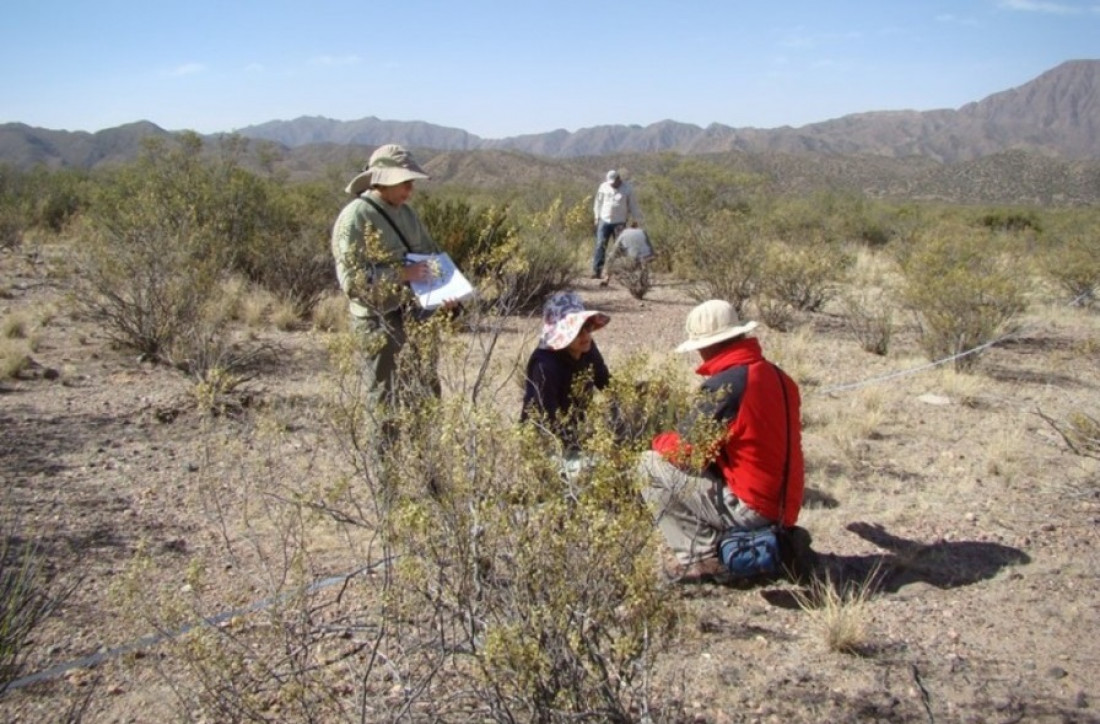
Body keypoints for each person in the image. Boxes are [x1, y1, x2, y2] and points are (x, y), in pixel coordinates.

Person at [638, 299, 805, 584]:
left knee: (649, 463)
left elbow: (686, 453)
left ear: (709, 345)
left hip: (753, 509)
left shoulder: (728, 384)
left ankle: (700, 558)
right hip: (784, 508)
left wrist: (658, 440)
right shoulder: (778, 376)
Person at [330, 143, 455, 411]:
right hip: (379, 322)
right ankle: (385, 455)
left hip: (417, 316)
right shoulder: (355, 217)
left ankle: (426, 452)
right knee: (386, 399)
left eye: (411, 183)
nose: (410, 190)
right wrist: (401, 274)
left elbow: (431, 255)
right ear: (383, 181)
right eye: (404, 182)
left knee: (426, 392)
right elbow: (352, 282)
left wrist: (448, 293)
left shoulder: (407, 214)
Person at [520, 291, 611, 466]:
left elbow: (607, 384)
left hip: (575, 434)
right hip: (545, 443)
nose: (585, 335)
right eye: (577, 331)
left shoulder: (587, 349)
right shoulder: (545, 365)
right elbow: (547, 419)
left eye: (588, 327)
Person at [591, 169, 643, 279]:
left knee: (619, 248)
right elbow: (598, 203)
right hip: (604, 220)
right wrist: (596, 217)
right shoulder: (603, 187)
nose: (613, 184)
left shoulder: (627, 188)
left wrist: (636, 219)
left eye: (614, 182)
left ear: (619, 179)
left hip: (619, 222)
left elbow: (633, 205)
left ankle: (619, 271)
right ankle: (597, 270)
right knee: (600, 244)